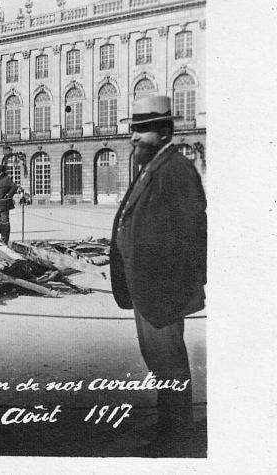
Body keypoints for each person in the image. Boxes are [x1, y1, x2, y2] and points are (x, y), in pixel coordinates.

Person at [110, 95, 206, 445]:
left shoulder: (176, 170)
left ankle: (178, 436)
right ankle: (170, 425)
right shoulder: (153, 166)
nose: (134, 136)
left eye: (144, 130)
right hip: (147, 288)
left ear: (165, 132)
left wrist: (174, 291)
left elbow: (193, 236)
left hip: (160, 291)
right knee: (161, 364)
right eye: (134, 129)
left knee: (170, 364)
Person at [0, 165, 18, 244]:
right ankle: (2, 239)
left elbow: (14, 187)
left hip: (3, 205)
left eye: (1, 170)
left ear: (4, 171)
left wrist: (8, 195)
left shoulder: (7, 179)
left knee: (5, 223)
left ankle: (4, 240)